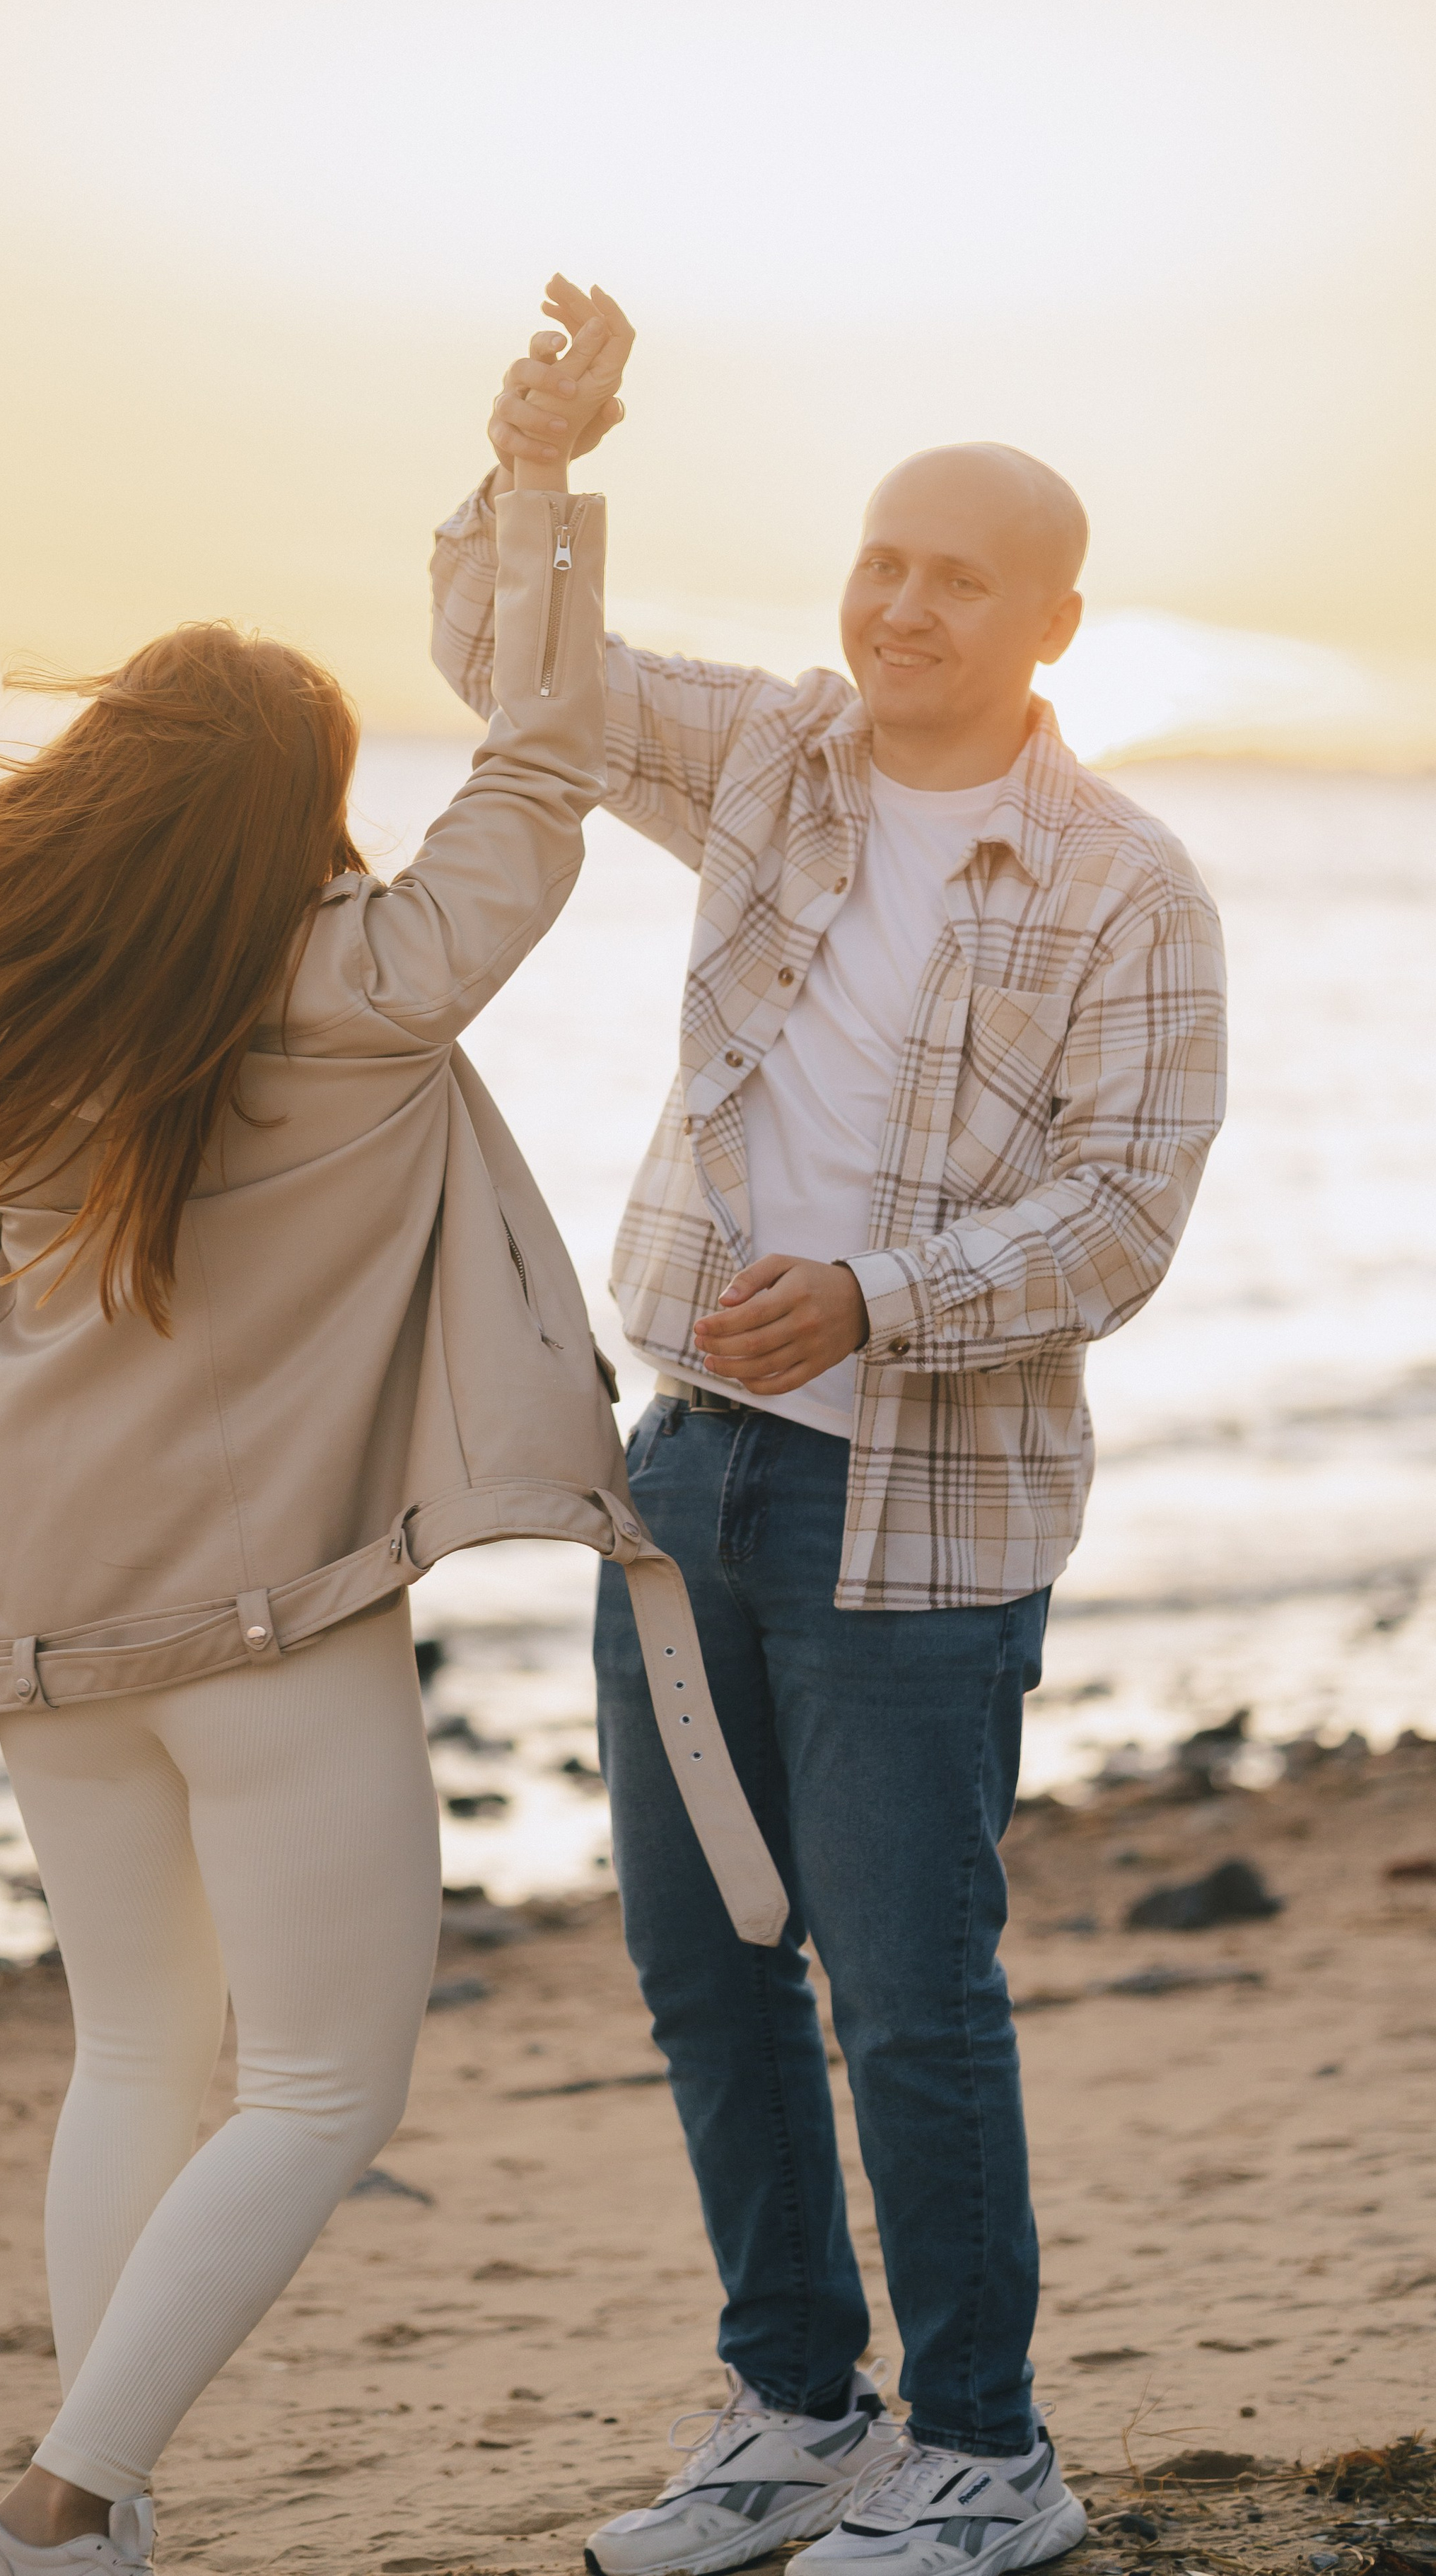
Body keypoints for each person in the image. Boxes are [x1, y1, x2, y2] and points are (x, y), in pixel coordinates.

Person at [0, 291, 788, 2576]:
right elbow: (551, 764)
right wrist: (547, 473)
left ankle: (96, 2529)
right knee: (317, 2083)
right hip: (260, 1609)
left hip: (37, 1597)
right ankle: (57, 2498)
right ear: (295, 812)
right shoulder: (360, 988)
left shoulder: (25, 1030)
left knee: (139, 2063)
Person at [430, 288, 1228, 2576]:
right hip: (689, 1471)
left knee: (909, 1999)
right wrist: (537, 463)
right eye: (881, 558)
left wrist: (881, 1296)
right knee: (702, 1969)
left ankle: (986, 2449)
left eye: (953, 574)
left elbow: (1120, 1223)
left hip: (930, 1513)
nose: (898, 604)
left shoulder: (1127, 889)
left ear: (1053, 619)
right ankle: (796, 2409)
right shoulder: (775, 759)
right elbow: (531, 680)